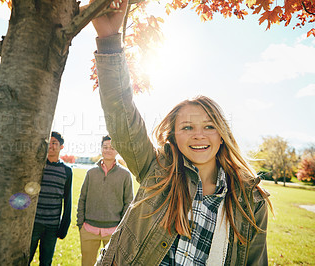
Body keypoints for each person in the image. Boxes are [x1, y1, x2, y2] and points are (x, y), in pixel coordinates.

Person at [91, 1, 272, 265]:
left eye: (209, 126)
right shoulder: (157, 171)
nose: (199, 135)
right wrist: (108, 40)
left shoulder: (250, 201)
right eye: (187, 127)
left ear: (222, 135)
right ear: (173, 136)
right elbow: (120, 112)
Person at [77, 135, 133, 266]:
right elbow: (82, 199)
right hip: (89, 230)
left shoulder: (125, 175)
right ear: (101, 148)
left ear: (118, 150)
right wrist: (81, 224)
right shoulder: (91, 173)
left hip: (113, 232)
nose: (108, 150)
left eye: (112, 147)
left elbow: (128, 203)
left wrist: (121, 230)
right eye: (105, 147)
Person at [29, 131, 73, 266]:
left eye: (55, 143)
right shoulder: (37, 167)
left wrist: (64, 226)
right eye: (49, 143)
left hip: (52, 226)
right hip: (33, 223)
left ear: (61, 147)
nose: (51, 146)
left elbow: (68, 199)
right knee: (25, 258)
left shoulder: (66, 171)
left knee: (46, 261)